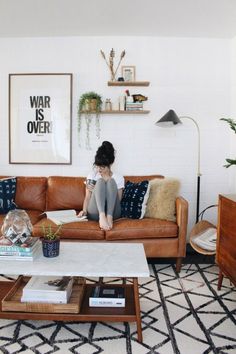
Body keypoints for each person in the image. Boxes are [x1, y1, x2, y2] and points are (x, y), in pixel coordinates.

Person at [78, 141, 124, 230]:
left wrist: (105, 189)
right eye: (97, 166)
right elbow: (87, 197)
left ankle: (109, 218)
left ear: (110, 164)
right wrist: (84, 211)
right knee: (100, 181)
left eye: (102, 167)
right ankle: (102, 217)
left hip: (113, 212)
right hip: (96, 212)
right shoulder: (92, 175)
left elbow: (118, 199)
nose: (99, 169)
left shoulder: (118, 178)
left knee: (111, 181)